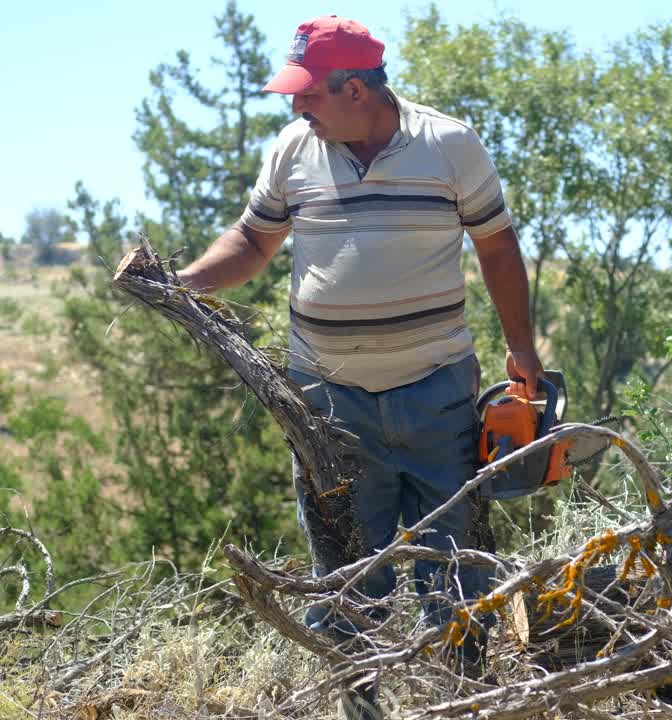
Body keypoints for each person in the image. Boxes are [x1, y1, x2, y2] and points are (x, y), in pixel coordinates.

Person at [176, 15, 541, 718]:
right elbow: (253, 242)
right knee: (344, 583)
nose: (294, 107)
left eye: (307, 94)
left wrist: (522, 348)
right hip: (328, 404)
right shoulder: (294, 149)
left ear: (356, 91)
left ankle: (463, 704)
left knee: (457, 575)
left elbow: (497, 247)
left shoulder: (450, 144)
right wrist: (181, 282)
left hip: (438, 394)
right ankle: (360, 711)